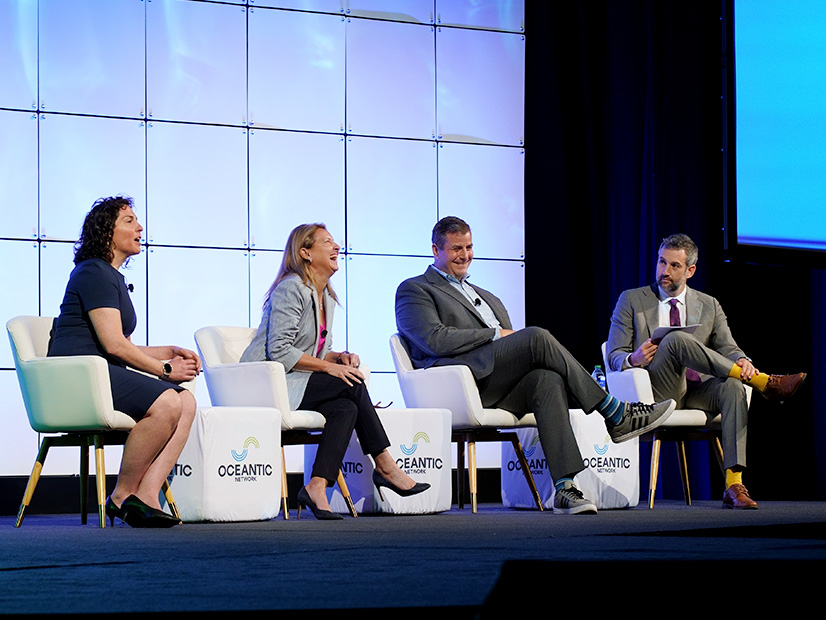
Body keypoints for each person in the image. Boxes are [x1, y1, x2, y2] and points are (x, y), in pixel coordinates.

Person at [395, 216, 676, 515]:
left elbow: (511, 349)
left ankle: (565, 488)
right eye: (455, 249)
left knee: (546, 379)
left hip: (497, 381)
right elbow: (434, 340)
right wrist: (494, 334)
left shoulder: (486, 296)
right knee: (536, 337)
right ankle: (614, 411)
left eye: (469, 247)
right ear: (436, 250)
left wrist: (504, 339)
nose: (464, 255)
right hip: (461, 384)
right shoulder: (415, 289)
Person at [241, 223, 429, 519]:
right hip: (266, 383)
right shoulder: (292, 287)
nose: (336, 247)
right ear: (305, 253)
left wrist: (338, 357)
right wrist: (330, 367)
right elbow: (280, 350)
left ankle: (317, 486)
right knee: (351, 384)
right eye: (326, 242)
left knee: (344, 408)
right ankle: (385, 465)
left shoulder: (325, 295)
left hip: (295, 381)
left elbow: (313, 350)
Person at [606, 233, 806, 509]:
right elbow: (613, 355)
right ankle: (765, 383)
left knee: (734, 386)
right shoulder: (631, 300)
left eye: (674, 265)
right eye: (661, 262)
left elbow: (730, 348)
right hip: (660, 389)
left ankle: (734, 483)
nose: (664, 271)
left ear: (690, 270)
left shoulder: (709, 304)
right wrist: (634, 358)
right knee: (675, 339)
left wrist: (743, 360)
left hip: (700, 389)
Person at [48, 196, 200, 528]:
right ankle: (121, 495)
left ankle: (145, 497)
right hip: (78, 376)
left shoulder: (111, 275)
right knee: (167, 403)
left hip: (103, 371)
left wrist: (170, 350)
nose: (140, 228)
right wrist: (165, 370)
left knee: (186, 401)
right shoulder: (93, 272)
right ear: (106, 232)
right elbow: (113, 345)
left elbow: (125, 344)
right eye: (129, 221)